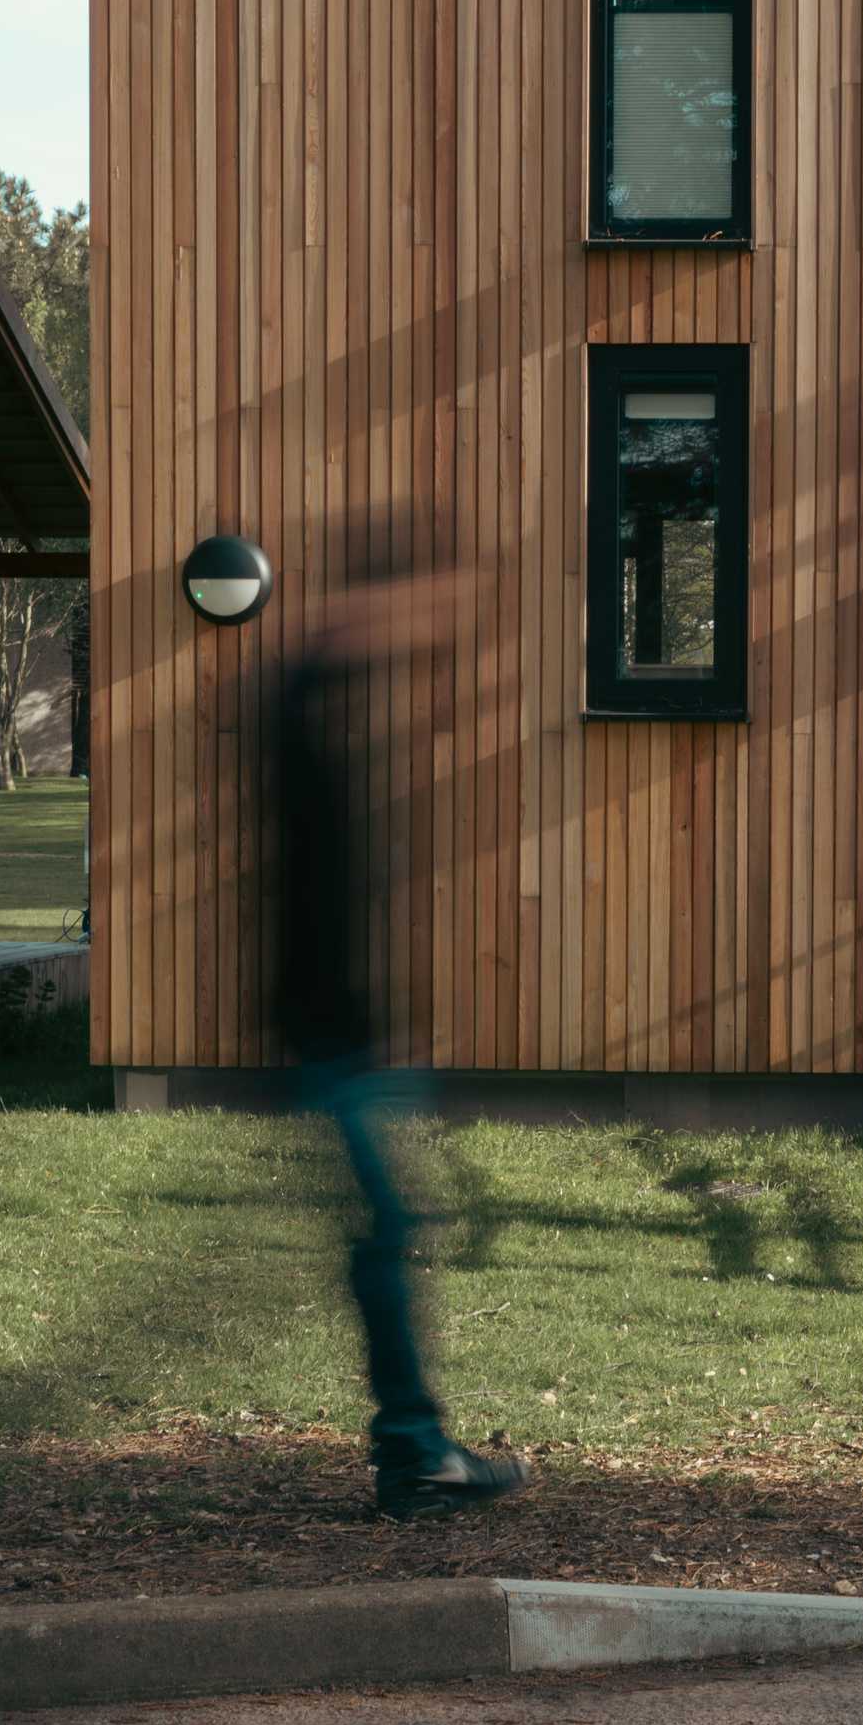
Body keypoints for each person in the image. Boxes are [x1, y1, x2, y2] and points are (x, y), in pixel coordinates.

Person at [277, 562, 529, 1521]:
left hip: (346, 1036)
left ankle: (414, 1446)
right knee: (386, 1234)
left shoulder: (319, 723)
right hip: (329, 1038)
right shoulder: (298, 719)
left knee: (385, 1232)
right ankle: (413, 1453)